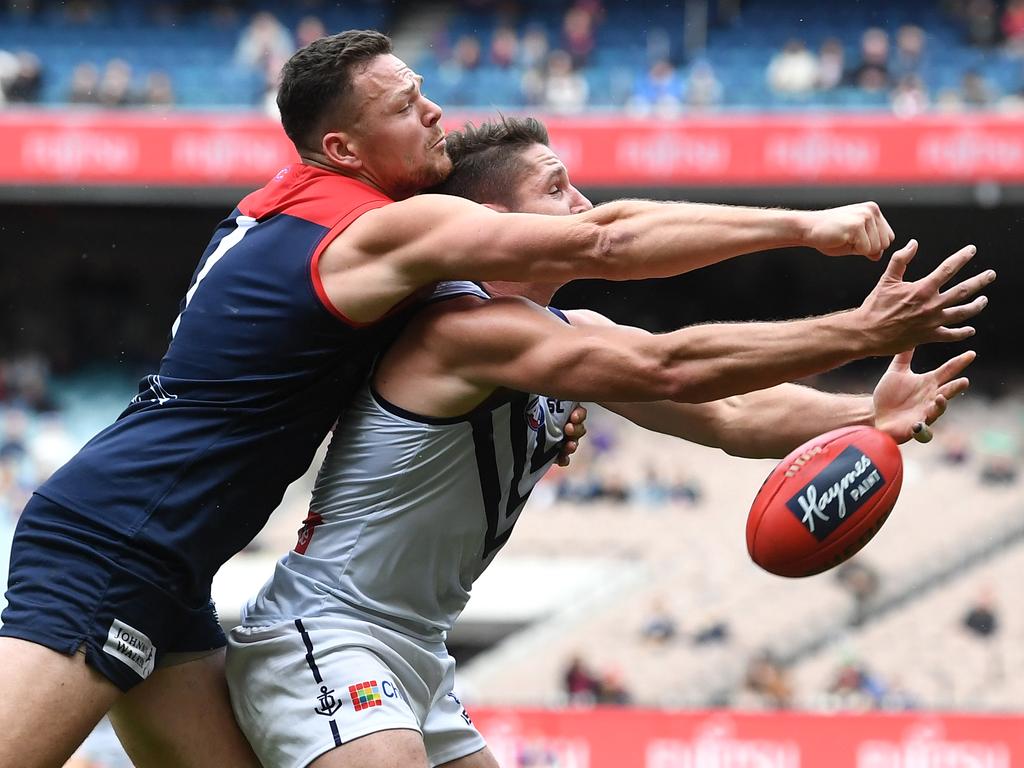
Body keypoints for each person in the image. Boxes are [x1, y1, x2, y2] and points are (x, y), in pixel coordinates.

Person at [0, 29, 977, 767]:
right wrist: (840, 302)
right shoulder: (433, 294)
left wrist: (867, 415)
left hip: (231, 580)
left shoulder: (459, 295)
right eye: (406, 104)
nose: (433, 112)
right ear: (343, 147)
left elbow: (724, 417)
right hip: (164, 557)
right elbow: (632, 288)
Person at [224, 116, 989, 768]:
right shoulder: (458, 331)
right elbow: (675, 365)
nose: (583, 205)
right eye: (557, 188)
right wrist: (859, 327)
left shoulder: (568, 337)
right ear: (496, 223)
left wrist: (866, 418)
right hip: (330, 632)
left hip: (417, 650)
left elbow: (731, 418)